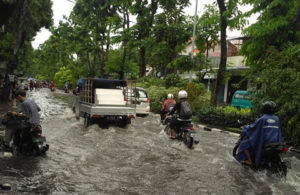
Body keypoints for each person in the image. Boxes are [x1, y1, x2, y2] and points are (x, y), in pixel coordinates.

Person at [235, 101, 282, 166]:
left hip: (264, 142)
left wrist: (244, 128)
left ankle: (249, 161)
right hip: (275, 142)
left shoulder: (262, 119)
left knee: (243, 144)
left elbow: (253, 127)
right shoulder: (277, 118)